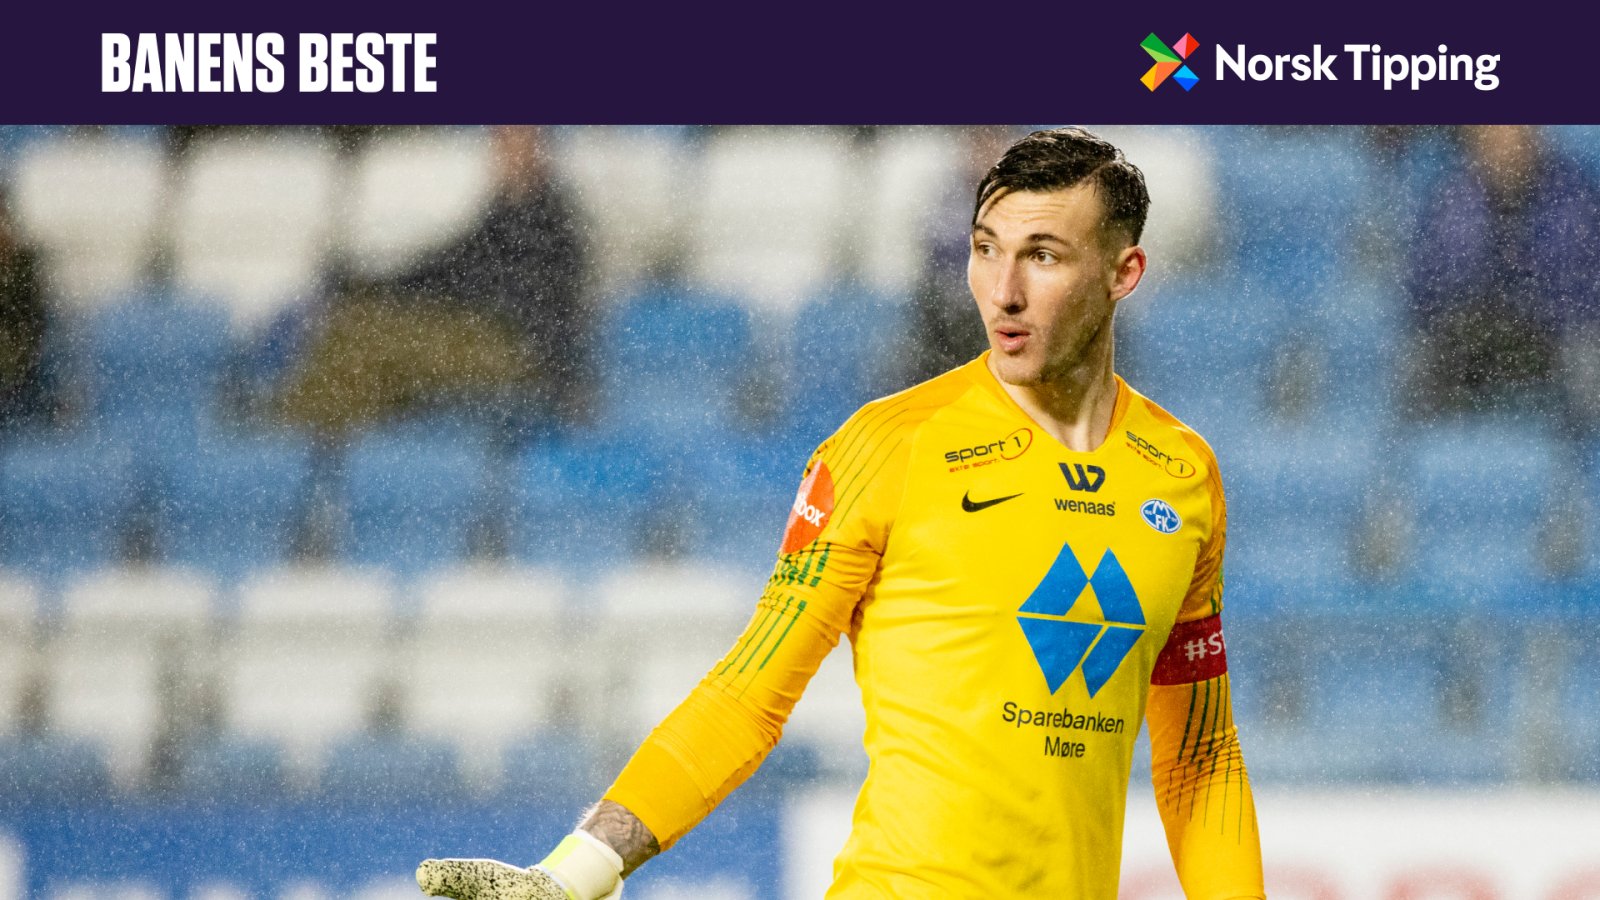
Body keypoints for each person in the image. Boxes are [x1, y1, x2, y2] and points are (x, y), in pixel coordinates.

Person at [416, 127, 1264, 899]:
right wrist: (574, 873)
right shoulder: (887, 446)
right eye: (985, 250)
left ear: (1123, 273)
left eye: (1042, 256)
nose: (1003, 291)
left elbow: (1199, 759)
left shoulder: (1181, 475)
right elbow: (748, 694)